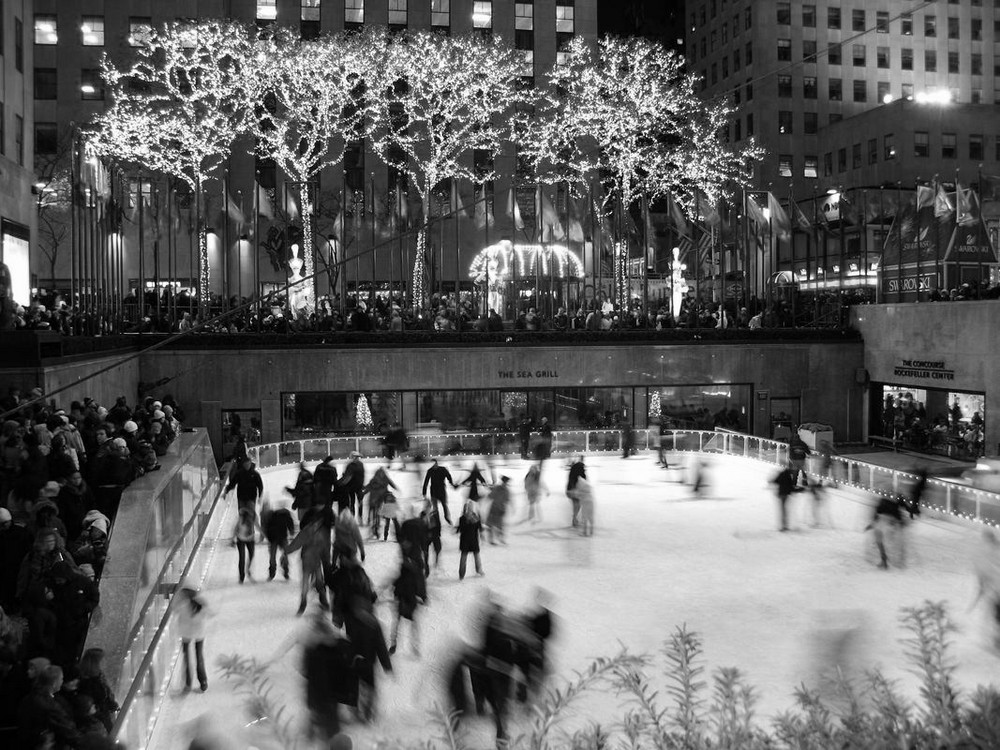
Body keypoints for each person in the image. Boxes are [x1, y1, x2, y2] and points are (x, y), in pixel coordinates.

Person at [287, 515, 331, 615]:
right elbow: (296, 544)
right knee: (313, 582)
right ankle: (317, 602)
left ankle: (310, 602)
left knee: (314, 582)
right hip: (310, 561)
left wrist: (287, 550)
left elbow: (295, 545)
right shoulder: (316, 533)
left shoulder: (315, 532)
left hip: (312, 561)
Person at [390, 548, 427, 656]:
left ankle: (394, 643)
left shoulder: (406, 568)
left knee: (398, 622)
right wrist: (423, 596)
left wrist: (395, 592)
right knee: (411, 624)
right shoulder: (415, 571)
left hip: (404, 599)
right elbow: (419, 584)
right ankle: (414, 646)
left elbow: (399, 581)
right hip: (409, 599)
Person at [175, 587, 210, 692]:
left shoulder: (182, 607)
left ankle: (188, 683)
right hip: (199, 634)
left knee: (187, 658)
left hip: (186, 635)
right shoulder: (200, 606)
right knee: (199, 657)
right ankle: (203, 682)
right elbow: (210, 613)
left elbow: (174, 610)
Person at [77, 648, 119, 733]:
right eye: (102, 660)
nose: (105, 662)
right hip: (98, 720)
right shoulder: (87, 682)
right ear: (95, 663)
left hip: (105, 716)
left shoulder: (99, 676)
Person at [261, 500, 294, 581]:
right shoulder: (286, 514)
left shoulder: (273, 515)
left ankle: (272, 573)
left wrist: (268, 537)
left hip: (273, 537)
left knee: (272, 556)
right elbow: (291, 524)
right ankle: (286, 571)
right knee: (285, 554)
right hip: (283, 537)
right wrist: (291, 531)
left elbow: (268, 526)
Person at [361, 465, 398, 539]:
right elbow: (391, 483)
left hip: (374, 500)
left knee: (375, 515)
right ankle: (375, 529)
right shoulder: (384, 479)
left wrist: (362, 492)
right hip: (377, 501)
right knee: (376, 515)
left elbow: (367, 487)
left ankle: (375, 529)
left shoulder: (375, 479)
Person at [422, 458, 457, 525]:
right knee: (435, 508)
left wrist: (452, 484)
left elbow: (449, 476)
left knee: (444, 505)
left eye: (434, 464)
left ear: (437, 463)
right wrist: (424, 492)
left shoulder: (443, 469)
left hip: (441, 491)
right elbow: (426, 481)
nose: (433, 466)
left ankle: (447, 518)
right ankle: (437, 521)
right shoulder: (430, 471)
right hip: (434, 492)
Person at [456, 500, 484, 580]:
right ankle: (461, 574)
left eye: (471, 508)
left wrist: (482, 535)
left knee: (477, 556)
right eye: (468, 508)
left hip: (474, 540)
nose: (470, 510)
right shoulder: (462, 519)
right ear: (466, 509)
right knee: (463, 558)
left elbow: (480, 528)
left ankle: (478, 570)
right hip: (465, 541)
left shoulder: (476, 518)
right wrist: (468, 522)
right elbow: (461, 529)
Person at [232, 507, 260, 584]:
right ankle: (242, 577)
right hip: (241, 540)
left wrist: (263, 535)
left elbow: (257, 526)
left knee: (251, 555)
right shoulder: (240, 519)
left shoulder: (252, 519)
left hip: (250, 539)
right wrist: (233, 539)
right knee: (242, 557)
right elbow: (235, 529)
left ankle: (248, 571)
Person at [486, 476, 511, 545]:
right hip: (498, 509)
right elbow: (507, 500)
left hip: (497, 508)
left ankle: (495, 539)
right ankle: (495, 539)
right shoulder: (505, 490)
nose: (505, 483)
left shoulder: (498, 488)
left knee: (494, 524)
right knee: (495, 524)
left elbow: (490, 496)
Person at [339, 452, 366, 516]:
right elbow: (362, 475)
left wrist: (341, 483)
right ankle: (360, 516)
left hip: (351, 488)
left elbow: (348, 477)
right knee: (359, 502)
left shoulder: (351, 465)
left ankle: (353, 516)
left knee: (352, 503)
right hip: (359, 486)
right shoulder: (361, 464)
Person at [773, 466, 796, 532]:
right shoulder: (788, 476)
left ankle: (783, 526)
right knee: (785, 510)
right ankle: (785, 525)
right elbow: (791, 486)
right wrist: (795, 491)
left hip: (781, 494)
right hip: (786, 494)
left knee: (783, 510)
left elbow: (775, 481)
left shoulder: (781, 474)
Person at [566, 456, 586, 527]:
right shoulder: (579, 472)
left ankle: (574, 519)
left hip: (571, 491)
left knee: (577, 505)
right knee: (577, 505)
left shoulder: (573, 473)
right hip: (573, 491)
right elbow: (584, 480)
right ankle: (574, 520)